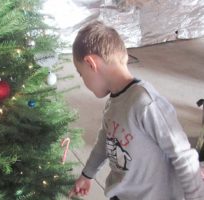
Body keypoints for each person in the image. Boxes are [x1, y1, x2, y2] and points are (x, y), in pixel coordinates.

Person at [68, 20, 204, 200]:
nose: (84, 81)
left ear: (91, 63)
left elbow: (182, 155)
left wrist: (196, 196)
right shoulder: (114, 102)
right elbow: (105, 141)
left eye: (81, 73)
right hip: (122, 193)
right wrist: (88, 174)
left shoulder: (145, 103)